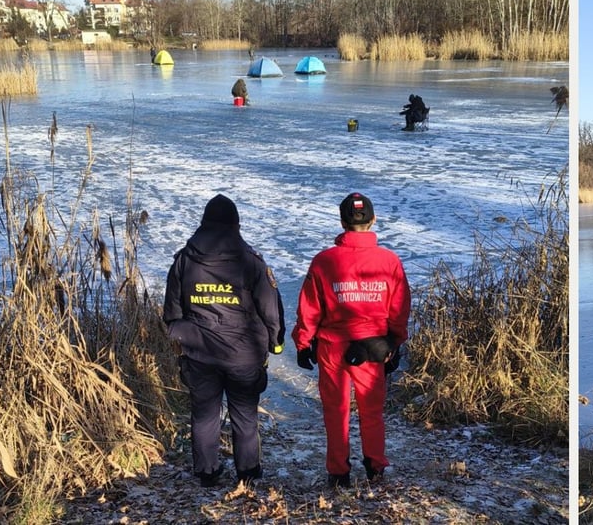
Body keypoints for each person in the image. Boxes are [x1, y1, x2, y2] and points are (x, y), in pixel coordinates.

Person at [162, 194, 285, 488]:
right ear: (236, 224)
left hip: (200, 353)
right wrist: (275, 342)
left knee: (204, 414)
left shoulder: (184, 259)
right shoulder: (252, 261)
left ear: (204, 222)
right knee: (244, 414)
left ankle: (207, 472)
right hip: (244, 354)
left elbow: (171, 312)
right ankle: (248, 471)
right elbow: (270, 308)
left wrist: (185, 336)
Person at [293, 192, 411, 488]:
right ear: (373, 220)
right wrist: (395, 342)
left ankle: (338, 473)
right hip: (373, 347)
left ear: (342, 221)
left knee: (336, 411)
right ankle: (375, 466)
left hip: (332, 347)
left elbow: (309, 308)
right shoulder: (389, 261)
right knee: (372, 412)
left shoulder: (324, 261)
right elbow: (399, 308)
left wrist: (303, 342)